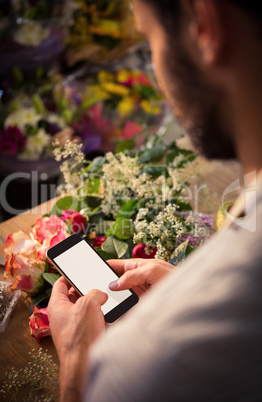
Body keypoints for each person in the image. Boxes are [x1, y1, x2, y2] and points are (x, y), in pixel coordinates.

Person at [48, 0, 262, 400]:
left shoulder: (149, 361)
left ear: (204, 25)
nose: (157, 80)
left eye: (149, 40)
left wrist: (78, 369)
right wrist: (186, 286)